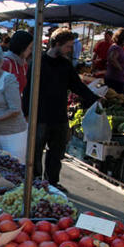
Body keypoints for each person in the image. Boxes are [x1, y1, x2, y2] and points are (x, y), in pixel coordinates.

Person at [23, 27, 99, 190]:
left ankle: (52, 183)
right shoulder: (37, 63)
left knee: (56, 153)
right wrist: (26, 113)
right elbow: (28, 89)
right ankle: (36, 182)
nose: (70, 50)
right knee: (36, 152)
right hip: (40, 116)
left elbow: (77, 85)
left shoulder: (65, 65)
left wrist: (94, 98)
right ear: (57, 44)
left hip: (59, 117)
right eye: (68, 46)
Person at [2, 30, 33, 96]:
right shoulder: (6, 63)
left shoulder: (24, 65)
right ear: (22, 47)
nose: (31, 51)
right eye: (30, 48)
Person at [105, 28, 124, 94]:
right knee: (117, 98)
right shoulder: (116, 48)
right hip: (116, 79)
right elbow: (112, 59)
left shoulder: (118, 47)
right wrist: (121, 69)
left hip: (115, 78)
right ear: (122, 39)